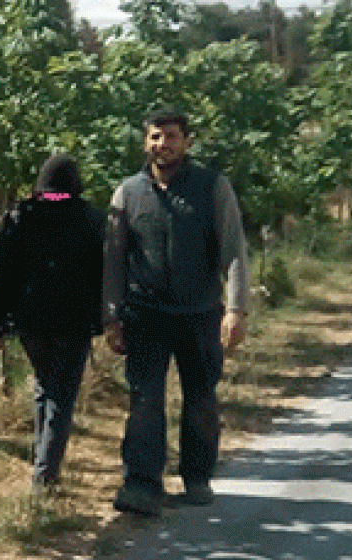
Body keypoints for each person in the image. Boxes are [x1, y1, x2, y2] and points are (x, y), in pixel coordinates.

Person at [103, 109, 250, 516]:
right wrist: (111, 316)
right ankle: (142, 483)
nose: (162, 144)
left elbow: (233, 250)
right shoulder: (128, 193)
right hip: (145, 315)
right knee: (145, 398)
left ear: (186, 141)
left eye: (170, 136)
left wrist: (235, 309)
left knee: (201, 397)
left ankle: (197, 477)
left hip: (200, 313)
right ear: (144, 142)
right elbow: (114, 259)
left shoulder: (212, 187)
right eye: (155, 137)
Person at [0, 154, 105, 498]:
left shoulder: (21, 215)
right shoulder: (88, 217)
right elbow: (102, 273)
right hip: (74, 321)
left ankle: (43, 466)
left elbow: (1, 274)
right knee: (61, 394)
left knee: (45, 386)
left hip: (31, 321)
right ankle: (46, 476)